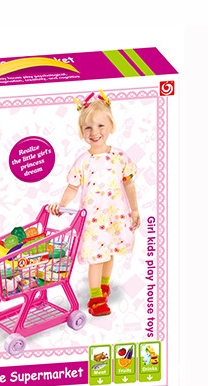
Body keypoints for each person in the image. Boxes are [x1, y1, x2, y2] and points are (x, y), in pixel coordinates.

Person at [48, 91, 140, 316]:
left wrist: (135, 209)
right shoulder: (83, 161)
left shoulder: (120, 157)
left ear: (111, 126)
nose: (94, 132)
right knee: (96, 257)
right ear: (81, 132)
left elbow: (128, 184)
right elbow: (72, 187)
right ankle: (96, 297)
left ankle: (104, 286)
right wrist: (61, 204)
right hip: (92, 219)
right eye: (88, 128)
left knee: (110, 252)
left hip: (116, 215)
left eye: (100, 126)